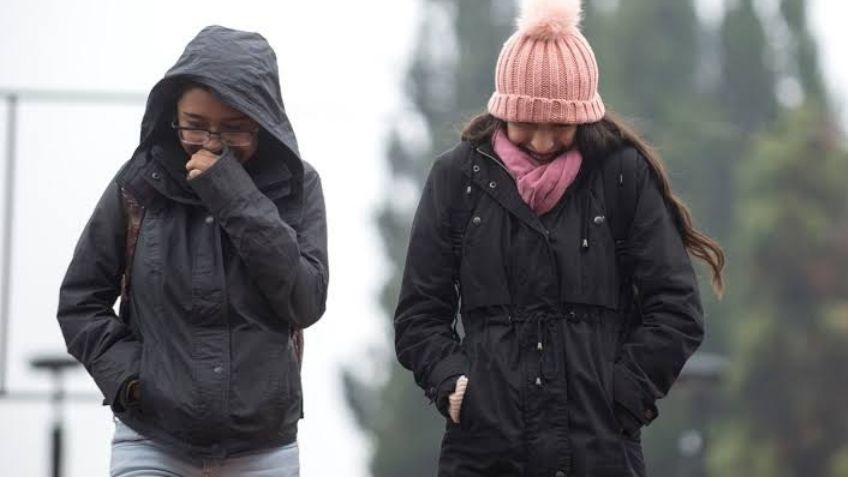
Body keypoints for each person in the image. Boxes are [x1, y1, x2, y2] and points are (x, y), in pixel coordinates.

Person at [393, 0, 725, 475]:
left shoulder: (623, 176)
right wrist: (454, 384)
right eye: (528, 124)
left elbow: (676, 308)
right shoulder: (456, 179)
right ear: (503, 111)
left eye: (560, 127)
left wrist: (624, 397)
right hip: (485, 455)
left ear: (585, 116)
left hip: (600, 454)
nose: (543, 142)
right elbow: (419, 316)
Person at [57, 25, 328, 476]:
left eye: (234, 129)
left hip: (263, 449)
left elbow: (306, 300)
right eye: (195, 125)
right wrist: (132, 381)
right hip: (152, 441)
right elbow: (80, 302)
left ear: (262, 121)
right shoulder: (138, 185)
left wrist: (233, 195)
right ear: (172, 114)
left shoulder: (298, 187)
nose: (212, 143)